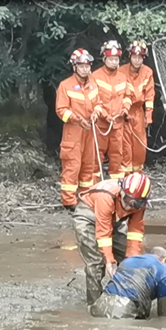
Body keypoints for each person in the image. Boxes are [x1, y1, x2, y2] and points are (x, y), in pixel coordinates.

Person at [73, 172, 151, 306]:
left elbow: (135, 233)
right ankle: (94, 304)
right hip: (88, 217)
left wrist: (132, 261)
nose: (129, 206)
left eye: (135, 204)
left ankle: (128, 295)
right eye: (127, 200)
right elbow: (103, 234)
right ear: (121, 191)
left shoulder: (139, 204)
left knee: (130, 260)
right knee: (96, 263)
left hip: (112, 220)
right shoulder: (106, 196)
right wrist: (109, 261)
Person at [55, 48, 106, 210]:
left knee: (88, 166)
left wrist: (96, 113)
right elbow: (61, 110)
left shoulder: (93, 84)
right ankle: (69, 202)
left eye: (87, 66)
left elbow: (99, 103)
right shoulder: (65, 86)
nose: (85, 69)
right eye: (81, 66)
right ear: (74, 67)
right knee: (72, 166)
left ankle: (86, 197)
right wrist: (77, 119)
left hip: (90, 131)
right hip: (73, 133)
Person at [91, 40, 134, 183]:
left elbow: (128, 96)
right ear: (104, 59)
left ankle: (116, 187)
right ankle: (95, 187)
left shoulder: (123, 77)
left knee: (117, 155)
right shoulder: (95, 77)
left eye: (116, 59)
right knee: (97, 155)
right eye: (111, 59)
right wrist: (105, 115)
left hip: (118, 124)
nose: (114, 62)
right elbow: (93, 100)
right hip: (101, 125)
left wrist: (125, 109)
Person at [89, 246, 166, 319]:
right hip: (124, 311)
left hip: (101, 304)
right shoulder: (163, 271)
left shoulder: (128, 261)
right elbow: (165, 314)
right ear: (164, 260)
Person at [119, 39, 156, 175]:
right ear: (130, 56)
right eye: (134, 57)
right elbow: (118, 93)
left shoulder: (147, 72)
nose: (137, 60)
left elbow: (150, 95)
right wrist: (123, 110)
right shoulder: (121, 71)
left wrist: (148, 115)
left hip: (139, 113)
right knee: (125, 146)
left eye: (140, 57)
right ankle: (126, 176)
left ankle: (137, 174)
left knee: (140, 145)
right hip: (124, 113)